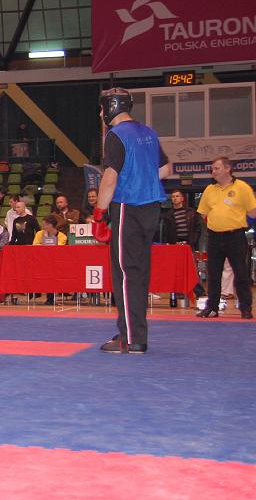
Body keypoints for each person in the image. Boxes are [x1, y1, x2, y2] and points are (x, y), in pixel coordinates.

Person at [93, 87, 170, 353]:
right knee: (138, 272)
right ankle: (132, 330)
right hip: (151, 207)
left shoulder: (116, 135)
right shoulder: (148, 132)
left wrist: (99, 214)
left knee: (125, 273)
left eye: (102, 108)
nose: (101, 113)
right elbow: (165, 169)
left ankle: (131, 338)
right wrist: (141, 178)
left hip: (129, 206)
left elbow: (110, 179)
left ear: (111, 106)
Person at [195, 157, 256, 319]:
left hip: (235, 236)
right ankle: (212, 308)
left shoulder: (242, 187)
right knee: (213, 274)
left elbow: (253, 212)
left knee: (241, 273)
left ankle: (245, 308)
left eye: (216, 168)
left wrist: (239, 223)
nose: (213, 172)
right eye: (212, 169)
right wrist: (217, 223)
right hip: (214, 237)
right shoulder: (209, 189)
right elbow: (203, 213)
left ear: (228, 168)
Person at [162, 189, 206, 299]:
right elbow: (166, 231)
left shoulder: (191, 212)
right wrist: (169, 244)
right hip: (175, 245)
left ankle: (199, 292)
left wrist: (192, 241)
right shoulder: (168, 215)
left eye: (177, 196)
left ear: (182, 198)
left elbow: (198, 228)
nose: (175, 198)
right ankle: (178, 291)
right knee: (177, 270)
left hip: (189, 244)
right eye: (173, 196)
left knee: (192, 269)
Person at [33, 215, 67, 305]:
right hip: (42, 262)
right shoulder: (39, 234)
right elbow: (35, 246)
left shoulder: (62, 236)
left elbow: (59, 247)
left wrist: (45, 240)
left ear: (51, 225)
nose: (43, 227)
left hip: (57, 264)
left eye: (44, 225)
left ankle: (52, 298)